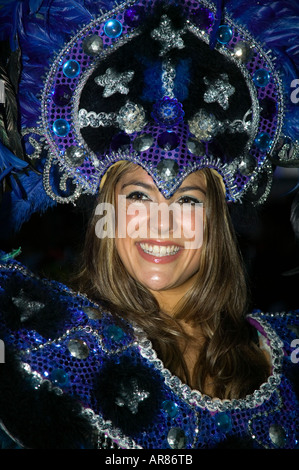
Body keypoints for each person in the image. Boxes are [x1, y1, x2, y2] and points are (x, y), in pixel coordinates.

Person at [0, 0, 298, 450]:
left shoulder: (288, 358)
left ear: (214, 222)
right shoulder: (49, 348)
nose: (162, 222)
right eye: (139, 196)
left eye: (187, 200)